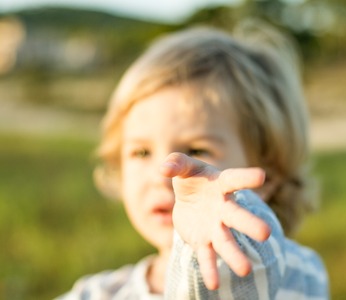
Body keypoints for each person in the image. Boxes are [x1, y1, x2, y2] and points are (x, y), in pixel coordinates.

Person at [58, 20, 329, 299]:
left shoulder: (297, 275)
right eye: (141, 152)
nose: (162, 175)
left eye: (197, 151)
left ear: (266, 178)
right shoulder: (97, 294)